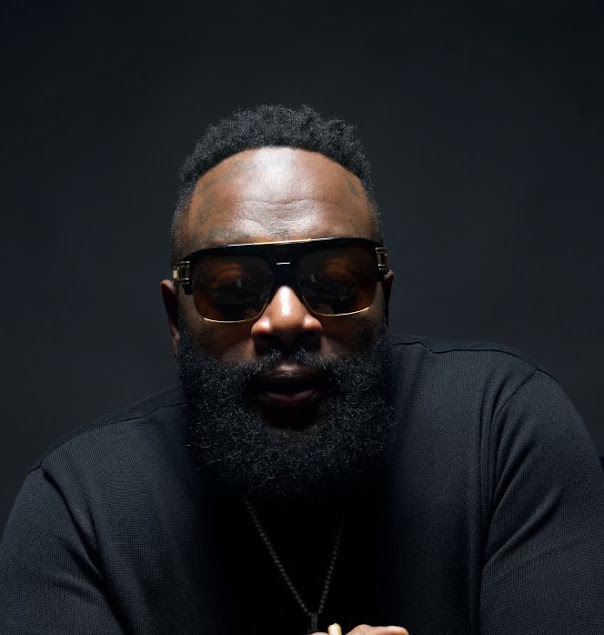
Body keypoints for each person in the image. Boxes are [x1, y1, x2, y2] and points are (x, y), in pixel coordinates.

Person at [1, 105, 603, 635]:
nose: (287, 319)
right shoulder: (79, 505)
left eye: (335, 283)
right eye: (232, 288)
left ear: (384, 302)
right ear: (176, 319)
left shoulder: (502, 430)